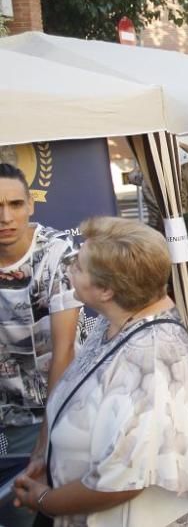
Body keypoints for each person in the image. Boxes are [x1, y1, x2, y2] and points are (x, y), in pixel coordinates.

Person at [13, 217, 188, 526]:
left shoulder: (153, 358)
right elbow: (71, 389)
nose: (69, 269)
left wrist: (45, 501)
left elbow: (123, 481)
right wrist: (44, 455)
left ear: (106, 289)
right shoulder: (118, 320)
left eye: (79, 267)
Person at [0, 165, 84, 527]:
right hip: (8, 409)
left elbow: (62, 353)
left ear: (30, 205)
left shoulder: (57, 254)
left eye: (15, 204)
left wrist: (44, 441)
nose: (6, 217)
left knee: (34, 513)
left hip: (51, 412)